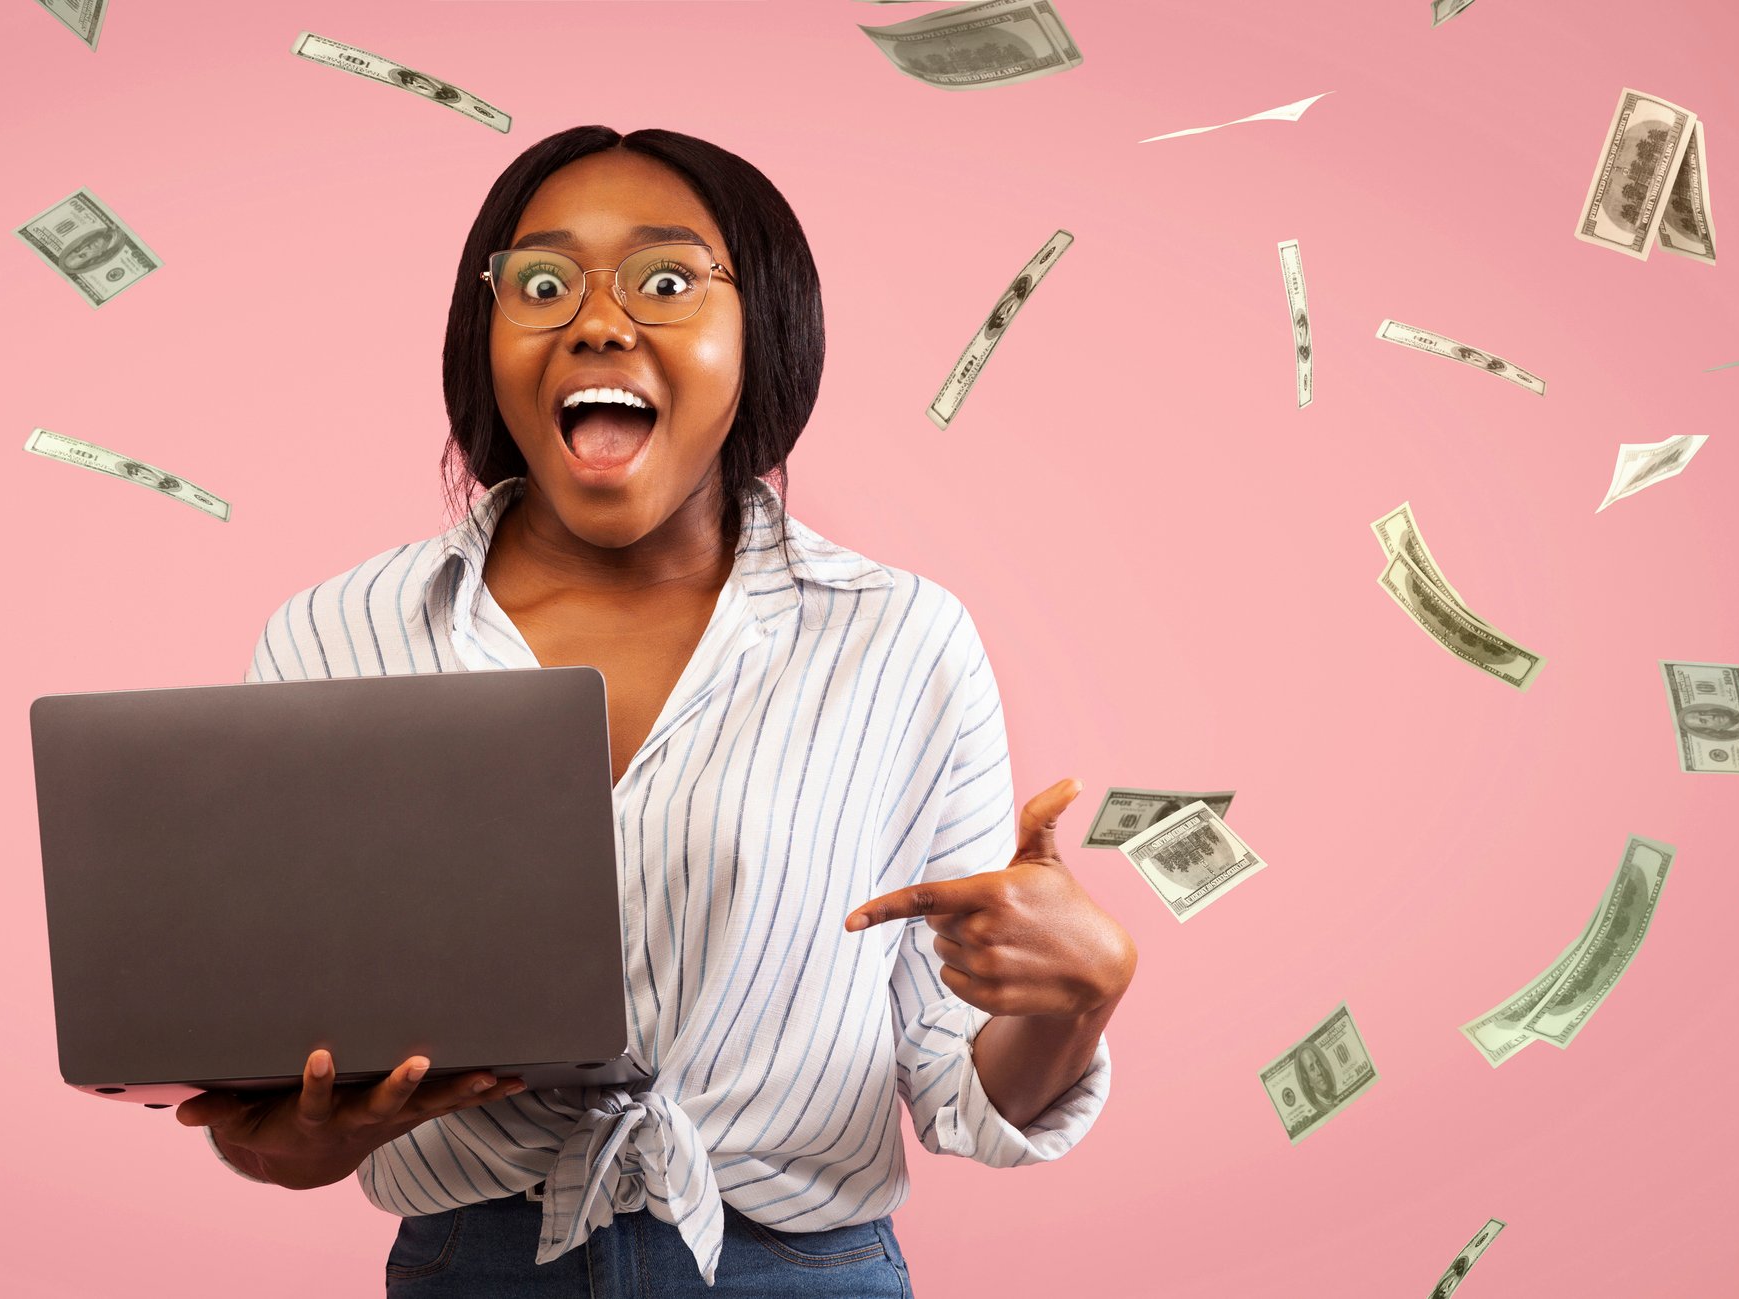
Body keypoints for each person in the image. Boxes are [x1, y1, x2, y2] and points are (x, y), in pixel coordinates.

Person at [175, 124, 1136, 1296]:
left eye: (667, 280)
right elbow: (269, 1104)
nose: (594, 319)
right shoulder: (334, 637)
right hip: (478, 1268)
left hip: (800, 1269)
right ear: (484, 339)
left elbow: (958, 1086)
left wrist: (1078, 1000)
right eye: (539, 283)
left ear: (762, 332)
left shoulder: (900, 641)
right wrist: (297, 1139)